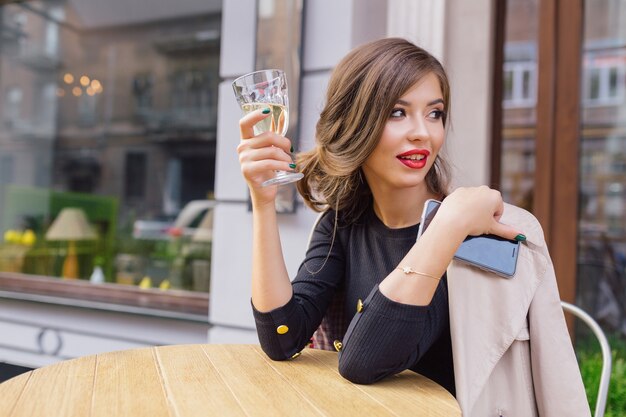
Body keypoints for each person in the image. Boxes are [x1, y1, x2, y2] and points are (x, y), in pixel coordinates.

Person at [237, 38, 590, 416]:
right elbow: (282, 337)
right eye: (397, 112)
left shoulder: (484, 230)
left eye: (434, 113)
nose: (423, 132)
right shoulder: (343, 224)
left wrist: (448, 225)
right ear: (355, 122)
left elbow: (363, 361)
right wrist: (263, 203)